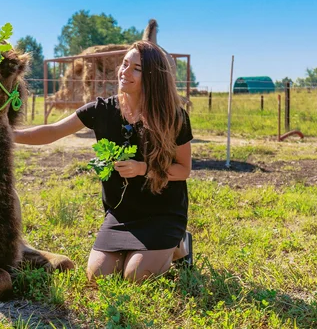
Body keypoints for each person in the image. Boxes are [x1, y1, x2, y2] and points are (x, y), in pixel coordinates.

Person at [14, 41, 193, 283]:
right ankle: (152, 249)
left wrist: (144, 169)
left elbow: (183, 170)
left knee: (137, 276)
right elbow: (52, 131)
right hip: (122, 214)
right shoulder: (102, 110)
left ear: (153, 77)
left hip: (163, 212)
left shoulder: (174, 116)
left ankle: (179, 244)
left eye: (136, 69)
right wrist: (9, 134)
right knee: (99, 277)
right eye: (124, 64)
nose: (124, 72)